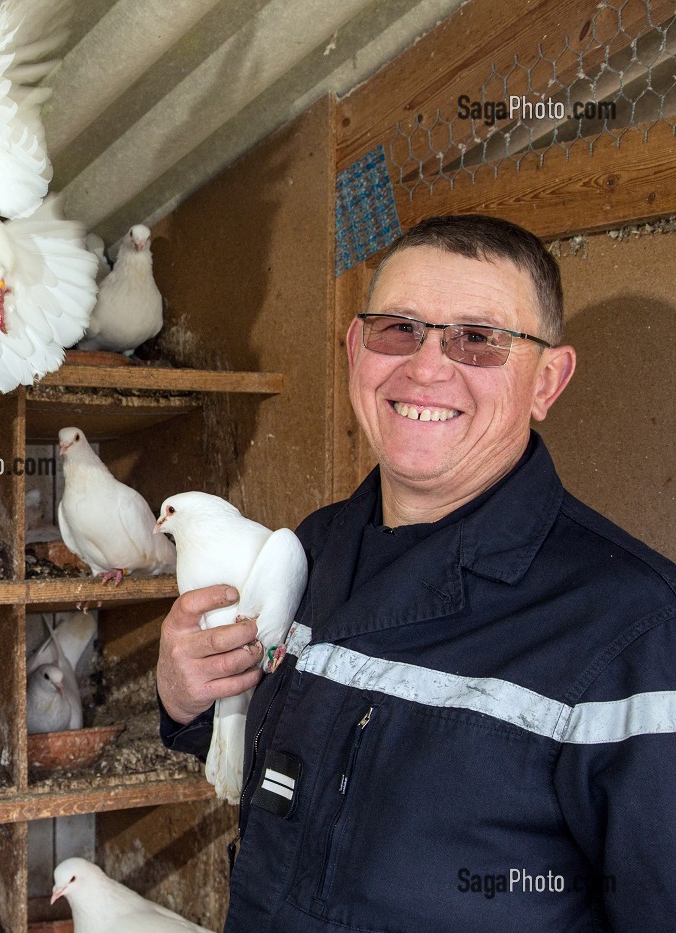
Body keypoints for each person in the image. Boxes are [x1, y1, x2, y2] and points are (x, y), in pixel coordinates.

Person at [156, 214, 676, 931]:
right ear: (354, 350)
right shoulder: (315, 549)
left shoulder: (637, 631)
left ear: (546, 382)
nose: (427, 367)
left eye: (480, 339)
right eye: (398, 328)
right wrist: (188, 696)